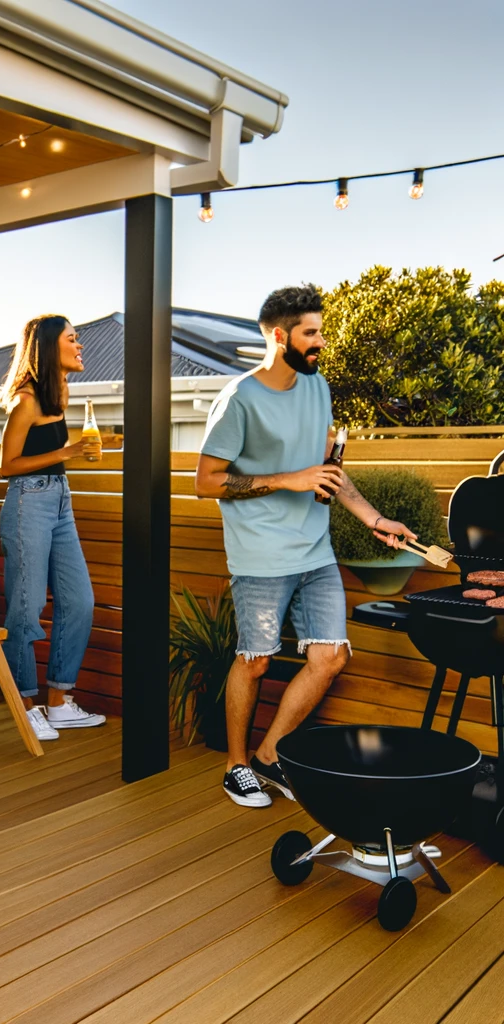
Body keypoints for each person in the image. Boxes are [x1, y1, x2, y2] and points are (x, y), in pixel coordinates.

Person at [196, 284, 417, 808]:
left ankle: (271, 756)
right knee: (254, 661)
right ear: (280, 335)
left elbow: (328, 472)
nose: (320, 341)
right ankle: (236, 766)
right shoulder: (241, 399)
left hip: (314, 551)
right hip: (261, 555)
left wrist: (374, 517)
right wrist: (288, 478)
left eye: (321, 331)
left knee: (329, 658)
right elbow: (205, 481)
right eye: (310, 332)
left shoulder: (318, 389)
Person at [0, 314, 106, 742]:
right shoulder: (26, 399)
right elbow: (5, 465)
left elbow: (58, 452)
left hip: (60, 499)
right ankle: (25, 705)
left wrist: (93, 445)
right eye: (73, 339)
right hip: (28, 502)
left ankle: (59, 703)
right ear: (48, 346)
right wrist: (71, 450)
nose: (80, 347)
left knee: (80, 602)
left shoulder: (59, 390)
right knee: (25, 610)